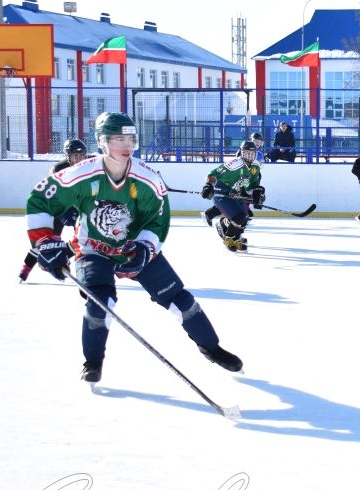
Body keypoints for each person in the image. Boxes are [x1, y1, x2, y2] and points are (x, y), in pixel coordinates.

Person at [26, 112, 242, 382]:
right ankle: (92, 363)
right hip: (92, 249)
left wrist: (145, 249)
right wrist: (46, 241)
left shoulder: (148, 178)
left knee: (181, 301)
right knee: (100, 303)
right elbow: (39, 200)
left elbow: (158, 219)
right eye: (118, 138)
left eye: (130, 137)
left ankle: (211, 348)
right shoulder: (80, 175)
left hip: (134, 247)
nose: (126, 144)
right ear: (103, 142)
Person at [17, 138, 87, 282]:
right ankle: (25, 269)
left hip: (81, 208)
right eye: (75, 155)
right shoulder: (58, 170)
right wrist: (65, 211)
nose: (79, 159)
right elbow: (54, 195)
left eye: (81, 155)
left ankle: (64, 261)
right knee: (46, 242)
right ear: (68, 156)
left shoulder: (90, 166)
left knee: (84, 239)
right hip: (62, 208)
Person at [201, 140, 265, 252]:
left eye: (252, 153)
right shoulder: (234, 164)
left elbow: (251, 186)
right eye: (247, 153)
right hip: (221, 193)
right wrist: (208, 185)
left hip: (235, 194)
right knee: (239, 217)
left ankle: (235, 239)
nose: (250, 156)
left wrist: (257, 192)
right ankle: (228, 238)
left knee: (246, 217)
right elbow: (213, 174)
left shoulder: (255, 167)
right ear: (241, 153)